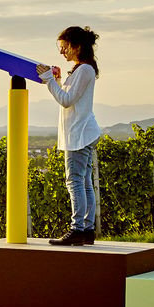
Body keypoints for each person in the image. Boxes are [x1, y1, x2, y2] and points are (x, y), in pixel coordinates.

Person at [37, 25, 102, 246]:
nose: (62, 52)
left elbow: (66, 100)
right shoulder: (81, 69)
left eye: (64, 47)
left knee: (74, 181)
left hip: (79, 133)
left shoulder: (84, 70)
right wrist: (57, 78)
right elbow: (69, 95)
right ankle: (87, 229)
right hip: (81, 132)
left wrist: (49, 80)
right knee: (84, 183)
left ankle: (77, 229)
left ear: (77, 46)